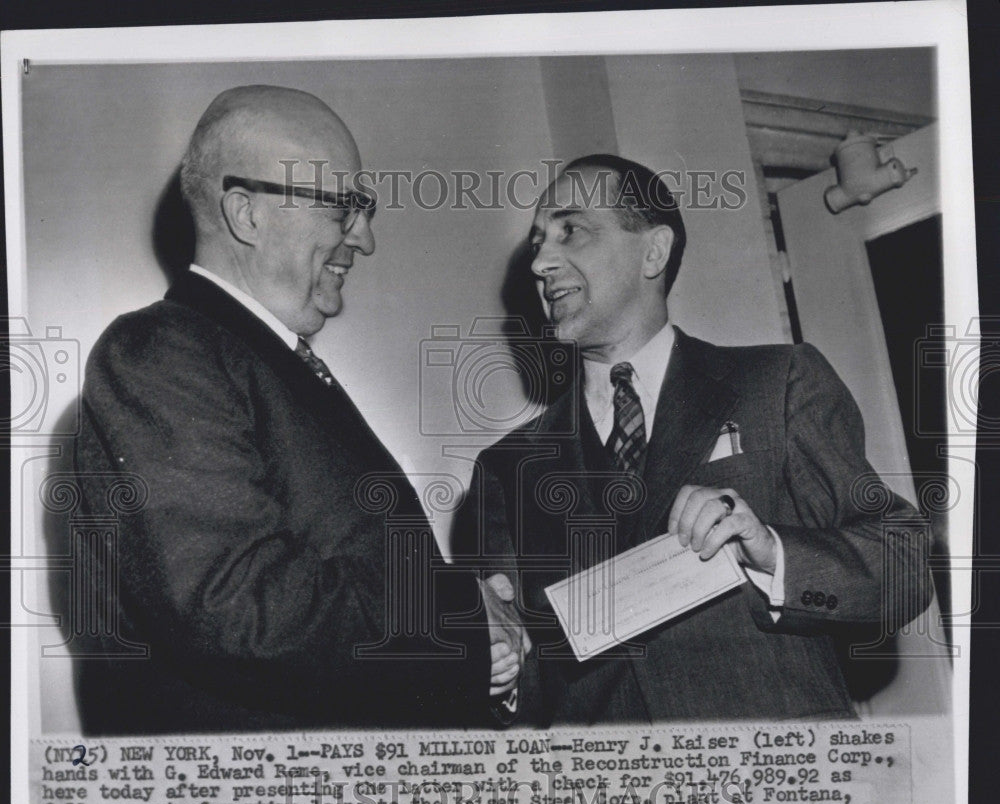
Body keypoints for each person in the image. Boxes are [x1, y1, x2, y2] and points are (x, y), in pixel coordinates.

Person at [73, 85, 521, 733]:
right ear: (246, 214)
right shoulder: (157, 351)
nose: (363, 240)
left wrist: (485, 638)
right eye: (343, 208)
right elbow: (232, 603)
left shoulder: (264, 360)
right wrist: (461, 615)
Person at [462, 154, 932, 724]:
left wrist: (771, 551)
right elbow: (522, 682)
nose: (540, 261)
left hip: (778, 788)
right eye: (538, 242)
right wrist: (497, 673)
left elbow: (903, 567)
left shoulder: (778, 383)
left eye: (571, 231)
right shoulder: (506, 468)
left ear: (653, 251)